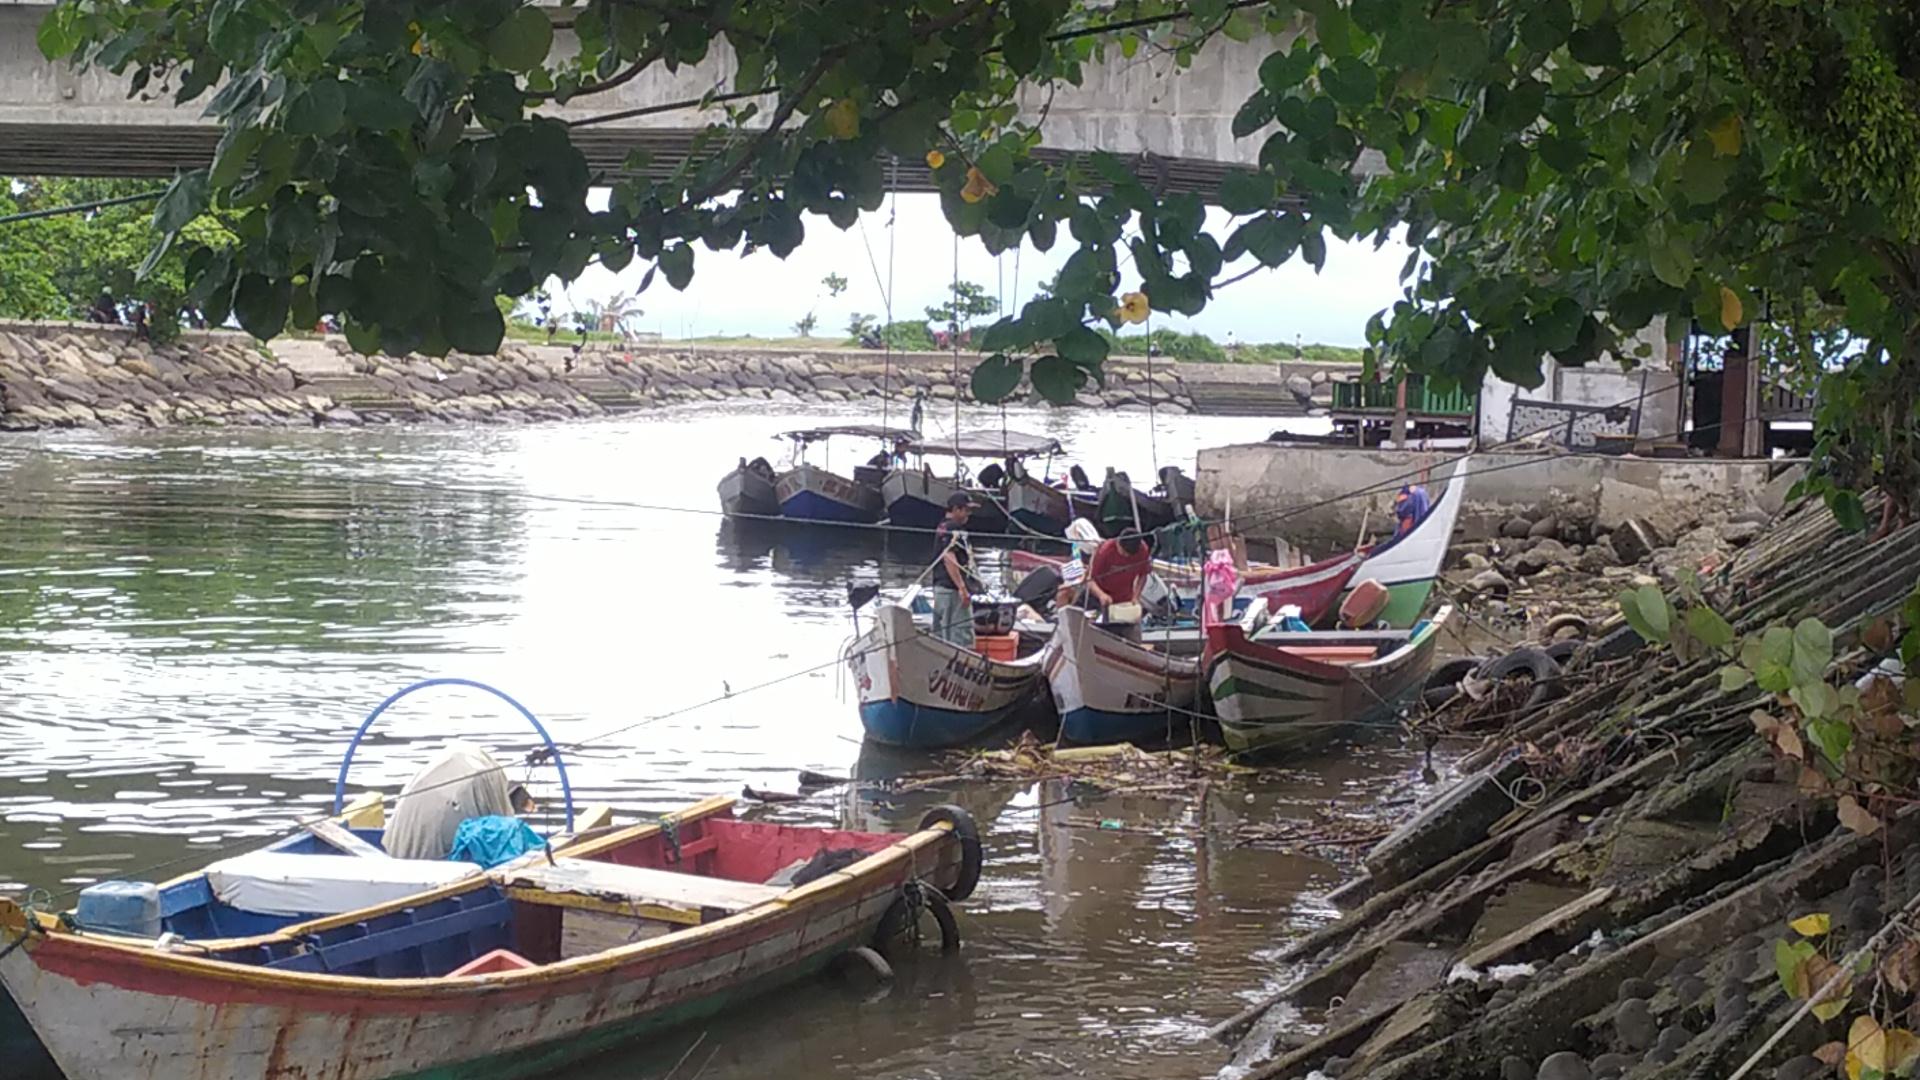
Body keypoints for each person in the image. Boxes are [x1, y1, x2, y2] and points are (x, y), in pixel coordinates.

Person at [930, 492, 981, 648]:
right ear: (956, 509)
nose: (969, 514)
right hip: (952, 591)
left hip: (940, 589)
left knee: (942, 635)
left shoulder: (942, 526)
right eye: (966, 510)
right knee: (961, 636)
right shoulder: (954, 529)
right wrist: (962, 588)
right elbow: (949, 558)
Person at [1089, 529, 1155, 612]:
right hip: (1101, 597)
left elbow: (1143, 575)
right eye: (1123, 553)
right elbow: (1090, 581)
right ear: (1118, 544)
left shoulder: (1143, 550)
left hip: (1124, 599)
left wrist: (1136, 597)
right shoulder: (1105, 551)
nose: (1126, 556)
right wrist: (1101, 595)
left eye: (1130, 555)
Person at [1054, 518, 1104, 612]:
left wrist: (1082, 576)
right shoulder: (1077, 547)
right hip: (1077, 578)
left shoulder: (1099, 549)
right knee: (1062, 591)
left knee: (1064, 592)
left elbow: (1092, 572)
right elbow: (1074, 562)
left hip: (1093, 583)